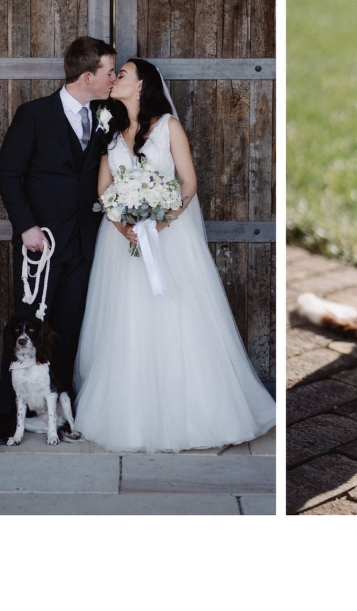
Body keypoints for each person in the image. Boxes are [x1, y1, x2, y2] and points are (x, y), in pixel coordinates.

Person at [73, 58, 276, 452]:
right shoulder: (111, 133)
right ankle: (129, 417)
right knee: (127, 320)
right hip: (122, 243)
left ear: (142, 85)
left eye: (123, 75)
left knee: (177, 318)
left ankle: (194, 414)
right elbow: (103, 189)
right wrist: (123, 224)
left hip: (170, 238)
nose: (116, 79)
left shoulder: (168, 127)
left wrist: (160, 222)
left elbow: (188, 181)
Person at [0, 37, 117, 445]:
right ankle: (8, 414)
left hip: (83, 244)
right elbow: (9, 174)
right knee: (25, 327)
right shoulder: (34, 115)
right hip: (39, 245)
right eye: (109, 72)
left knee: (69, 328)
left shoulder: (107, 114)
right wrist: (26, 226)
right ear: (87, 76)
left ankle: (59, 410)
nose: (114, 78)